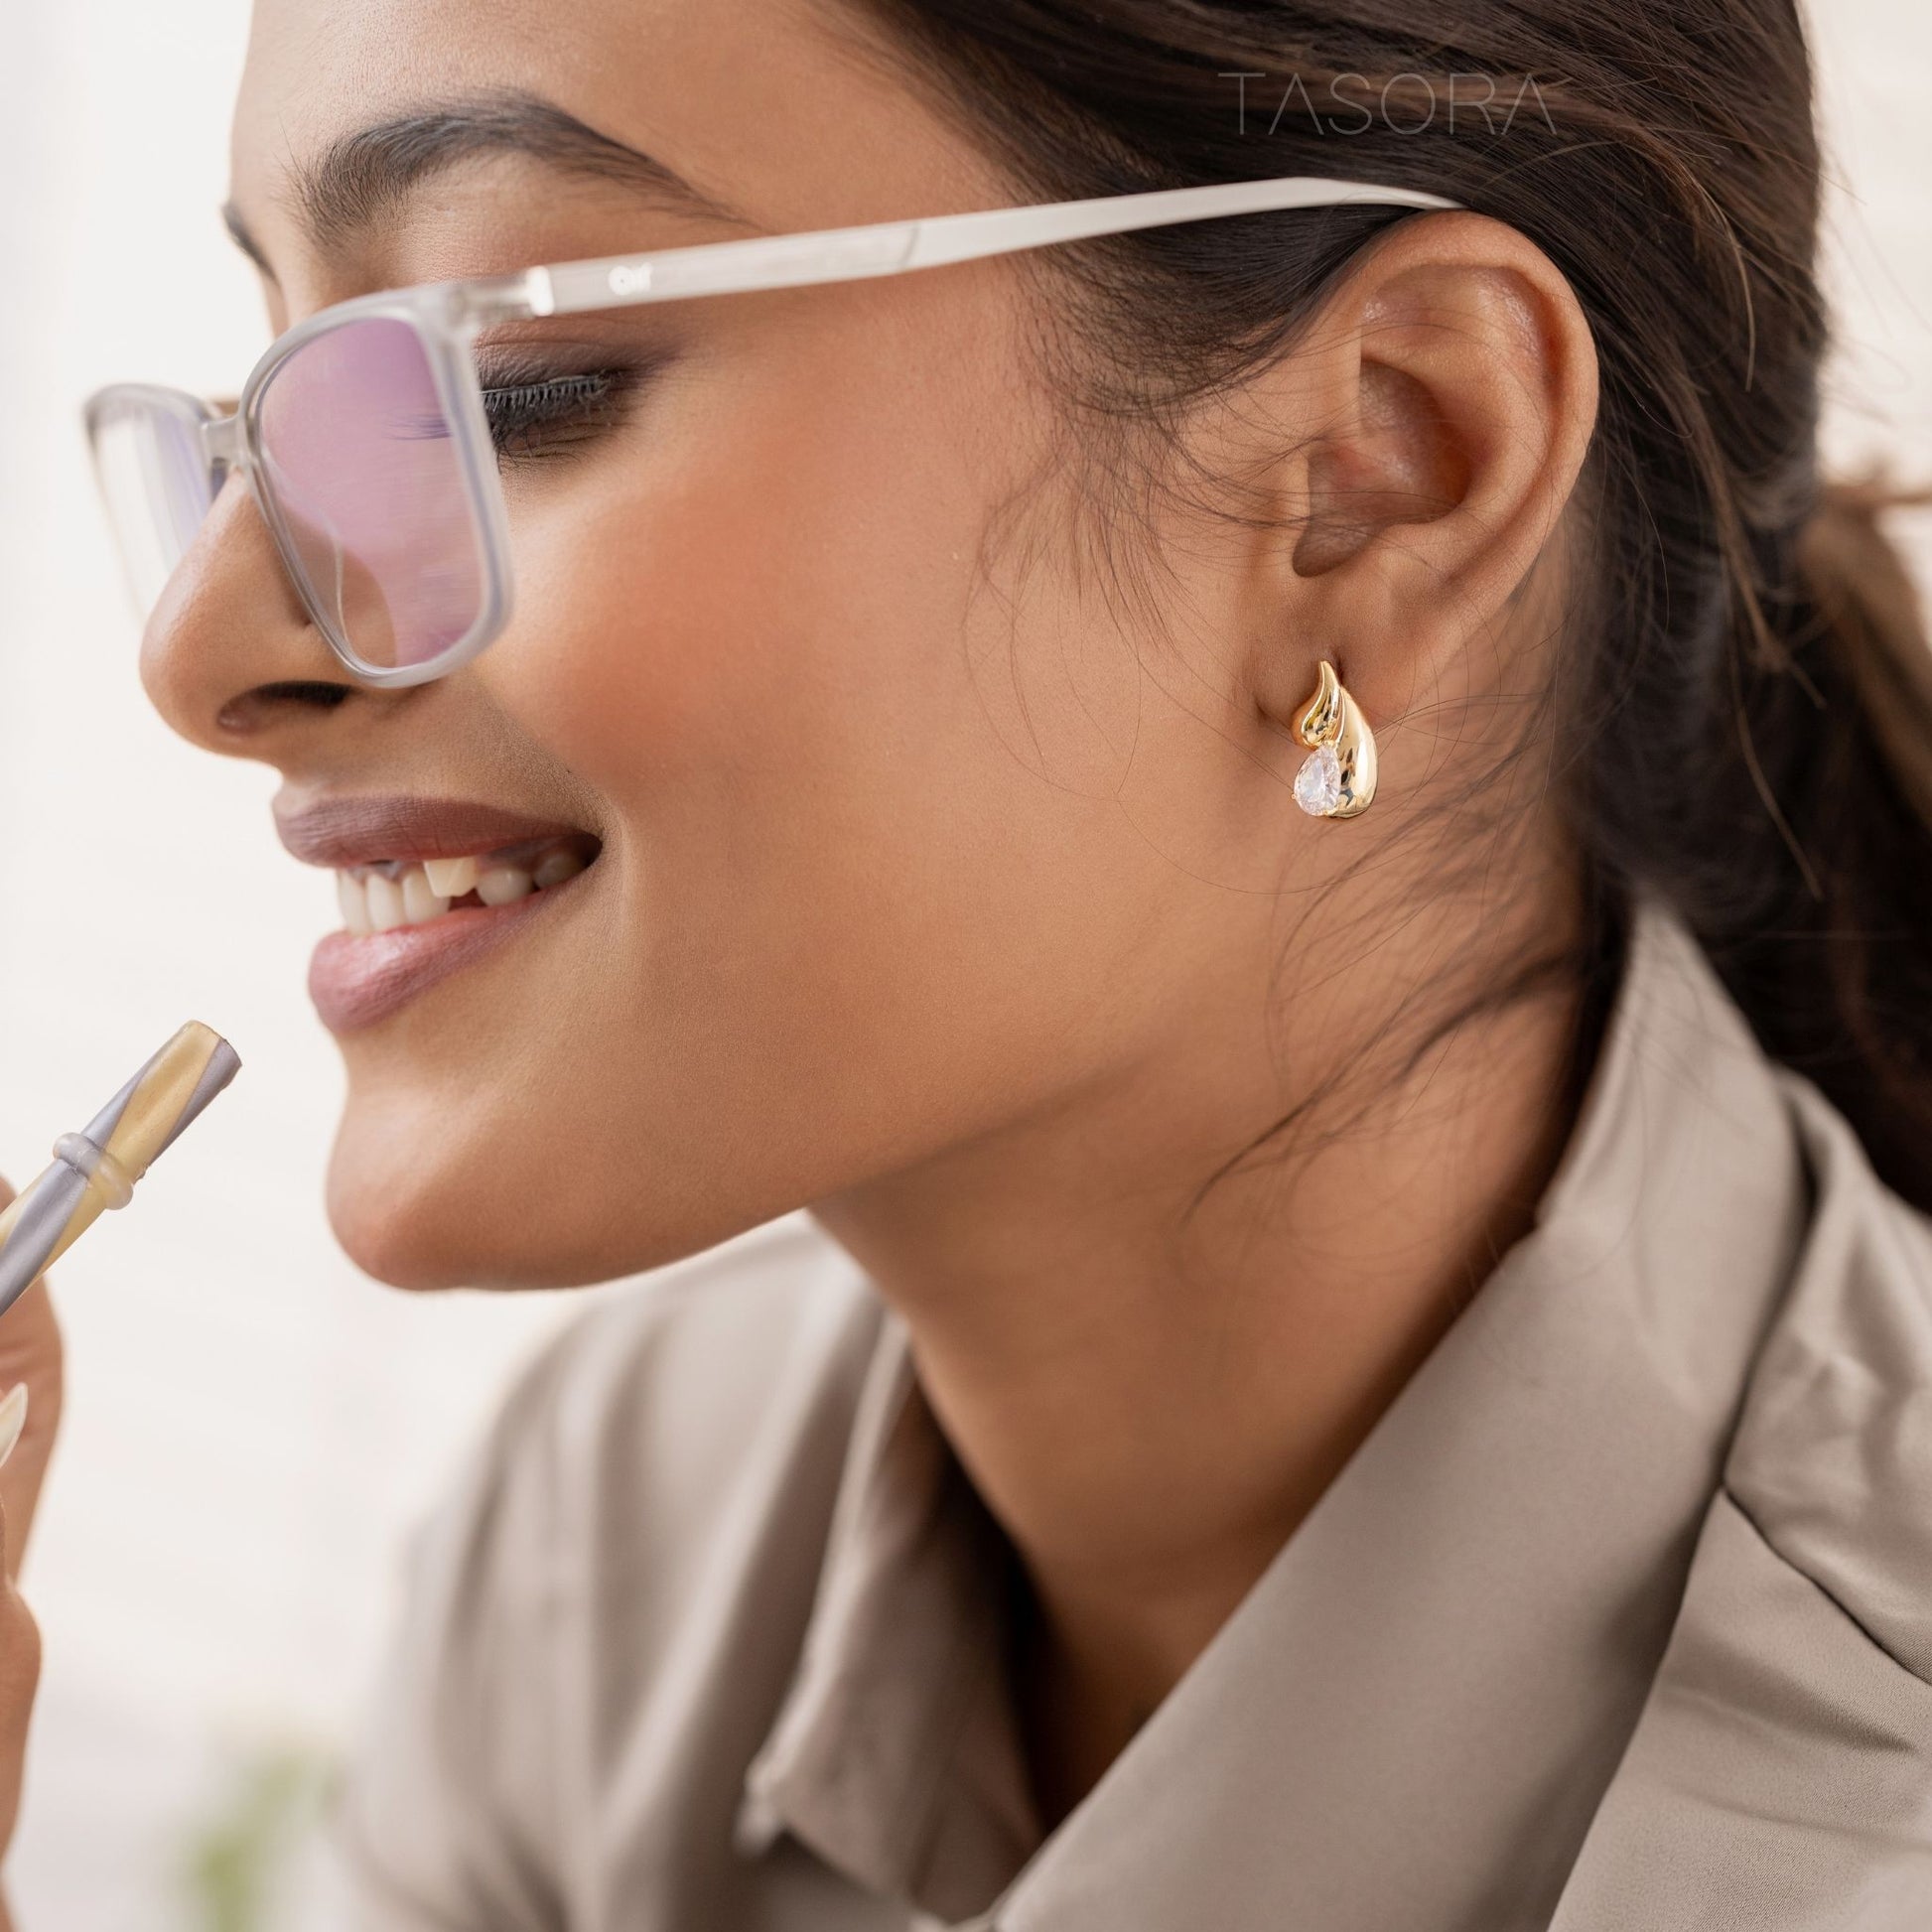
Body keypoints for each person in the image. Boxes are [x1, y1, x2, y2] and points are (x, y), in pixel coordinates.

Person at [7, 0, 1932, 1924]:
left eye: (517, 383)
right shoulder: (616, 1554)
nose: (203, 646)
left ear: (1382, 467)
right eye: (274, 411)